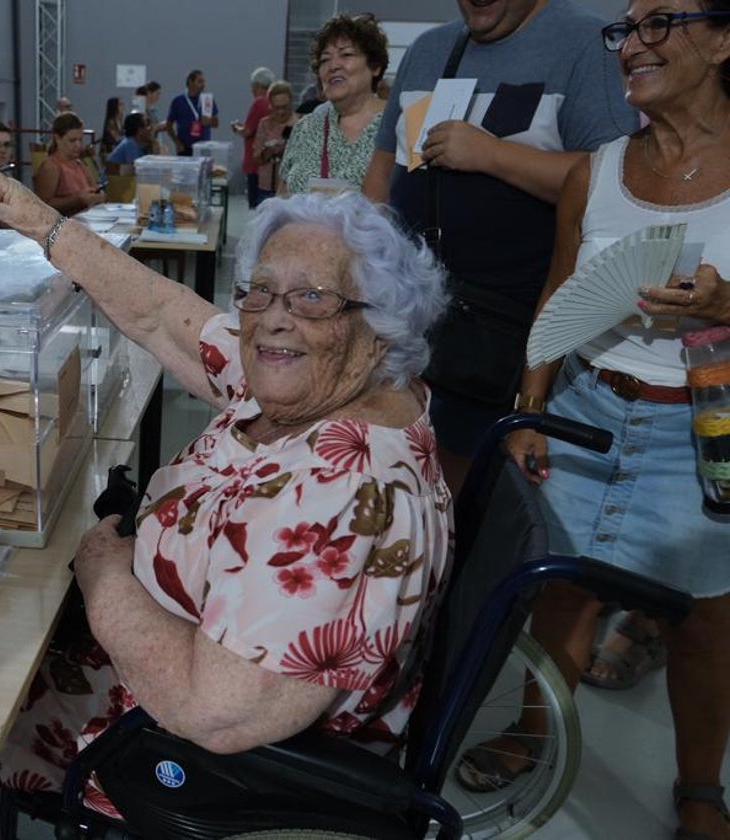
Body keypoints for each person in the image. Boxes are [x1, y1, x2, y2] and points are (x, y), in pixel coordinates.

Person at [0, 171, 451, 835]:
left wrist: (104, 574)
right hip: (184, 648)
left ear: (379, 325)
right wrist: (42, 224)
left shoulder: (342, 492)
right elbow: (158, 314)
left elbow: (214, 709)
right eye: (260, 291)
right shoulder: (327, 380)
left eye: (313, 297)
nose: (271, 319)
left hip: (192, 757)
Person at [457, 5, 730, 839]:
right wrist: (530, 410)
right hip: (587, 411)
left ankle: (698, 788)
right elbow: (559, 298)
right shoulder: (596, 172)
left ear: (723, 38)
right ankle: (536, 732)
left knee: (704, 622)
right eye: (625, 30)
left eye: (661, 24)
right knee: (563, 593)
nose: (634, 45)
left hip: (704, 429)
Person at [361, 0, 637, 493]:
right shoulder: (429, 50)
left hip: (503, 346)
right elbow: (382, 174)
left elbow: (613, 181)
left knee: (471, 508)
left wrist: (493, 155)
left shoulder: (585, 47)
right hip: (407, 336)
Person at [278, 14, 388, 195]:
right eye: (324, 60)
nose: (333, 65)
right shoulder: (306, 128)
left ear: (375, 66)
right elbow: (282, 199)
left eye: (346, 55)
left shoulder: (397, 125)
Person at [33, 112, 105, 215]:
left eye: (80, 140)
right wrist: (76, 200)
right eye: (72, 141)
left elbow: (94, 190)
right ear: (58, 139)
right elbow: (42, 205)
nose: (78, 145)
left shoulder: (79, 164)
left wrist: (98, 196)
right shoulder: (51, 167)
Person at [230, 67, 275, 208]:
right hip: (269, 161)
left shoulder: (259, 102)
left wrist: (236, 127)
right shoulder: (272, 102)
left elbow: (248, 131)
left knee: (255, 204)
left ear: (256, 85)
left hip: (255, 160)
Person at [255, 80, 300, 203]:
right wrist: (270, 151)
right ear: (270, 105)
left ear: (291, 102)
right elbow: (256, 158)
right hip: (266, 188)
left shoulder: (300, 124)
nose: (280, 112)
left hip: (292, 189)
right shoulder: (264, 124)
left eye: (284, 107)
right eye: (276, 108)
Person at [166, 69, 219, 156]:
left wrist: (209, 121)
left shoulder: (207, 100)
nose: (203, 85)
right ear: (190, 82)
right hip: (185, 147)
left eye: (204, 82)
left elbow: (216, 123)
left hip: (204, 148)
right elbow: (168, 125)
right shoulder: (178, 101)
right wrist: (177, 142)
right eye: (199, 82)